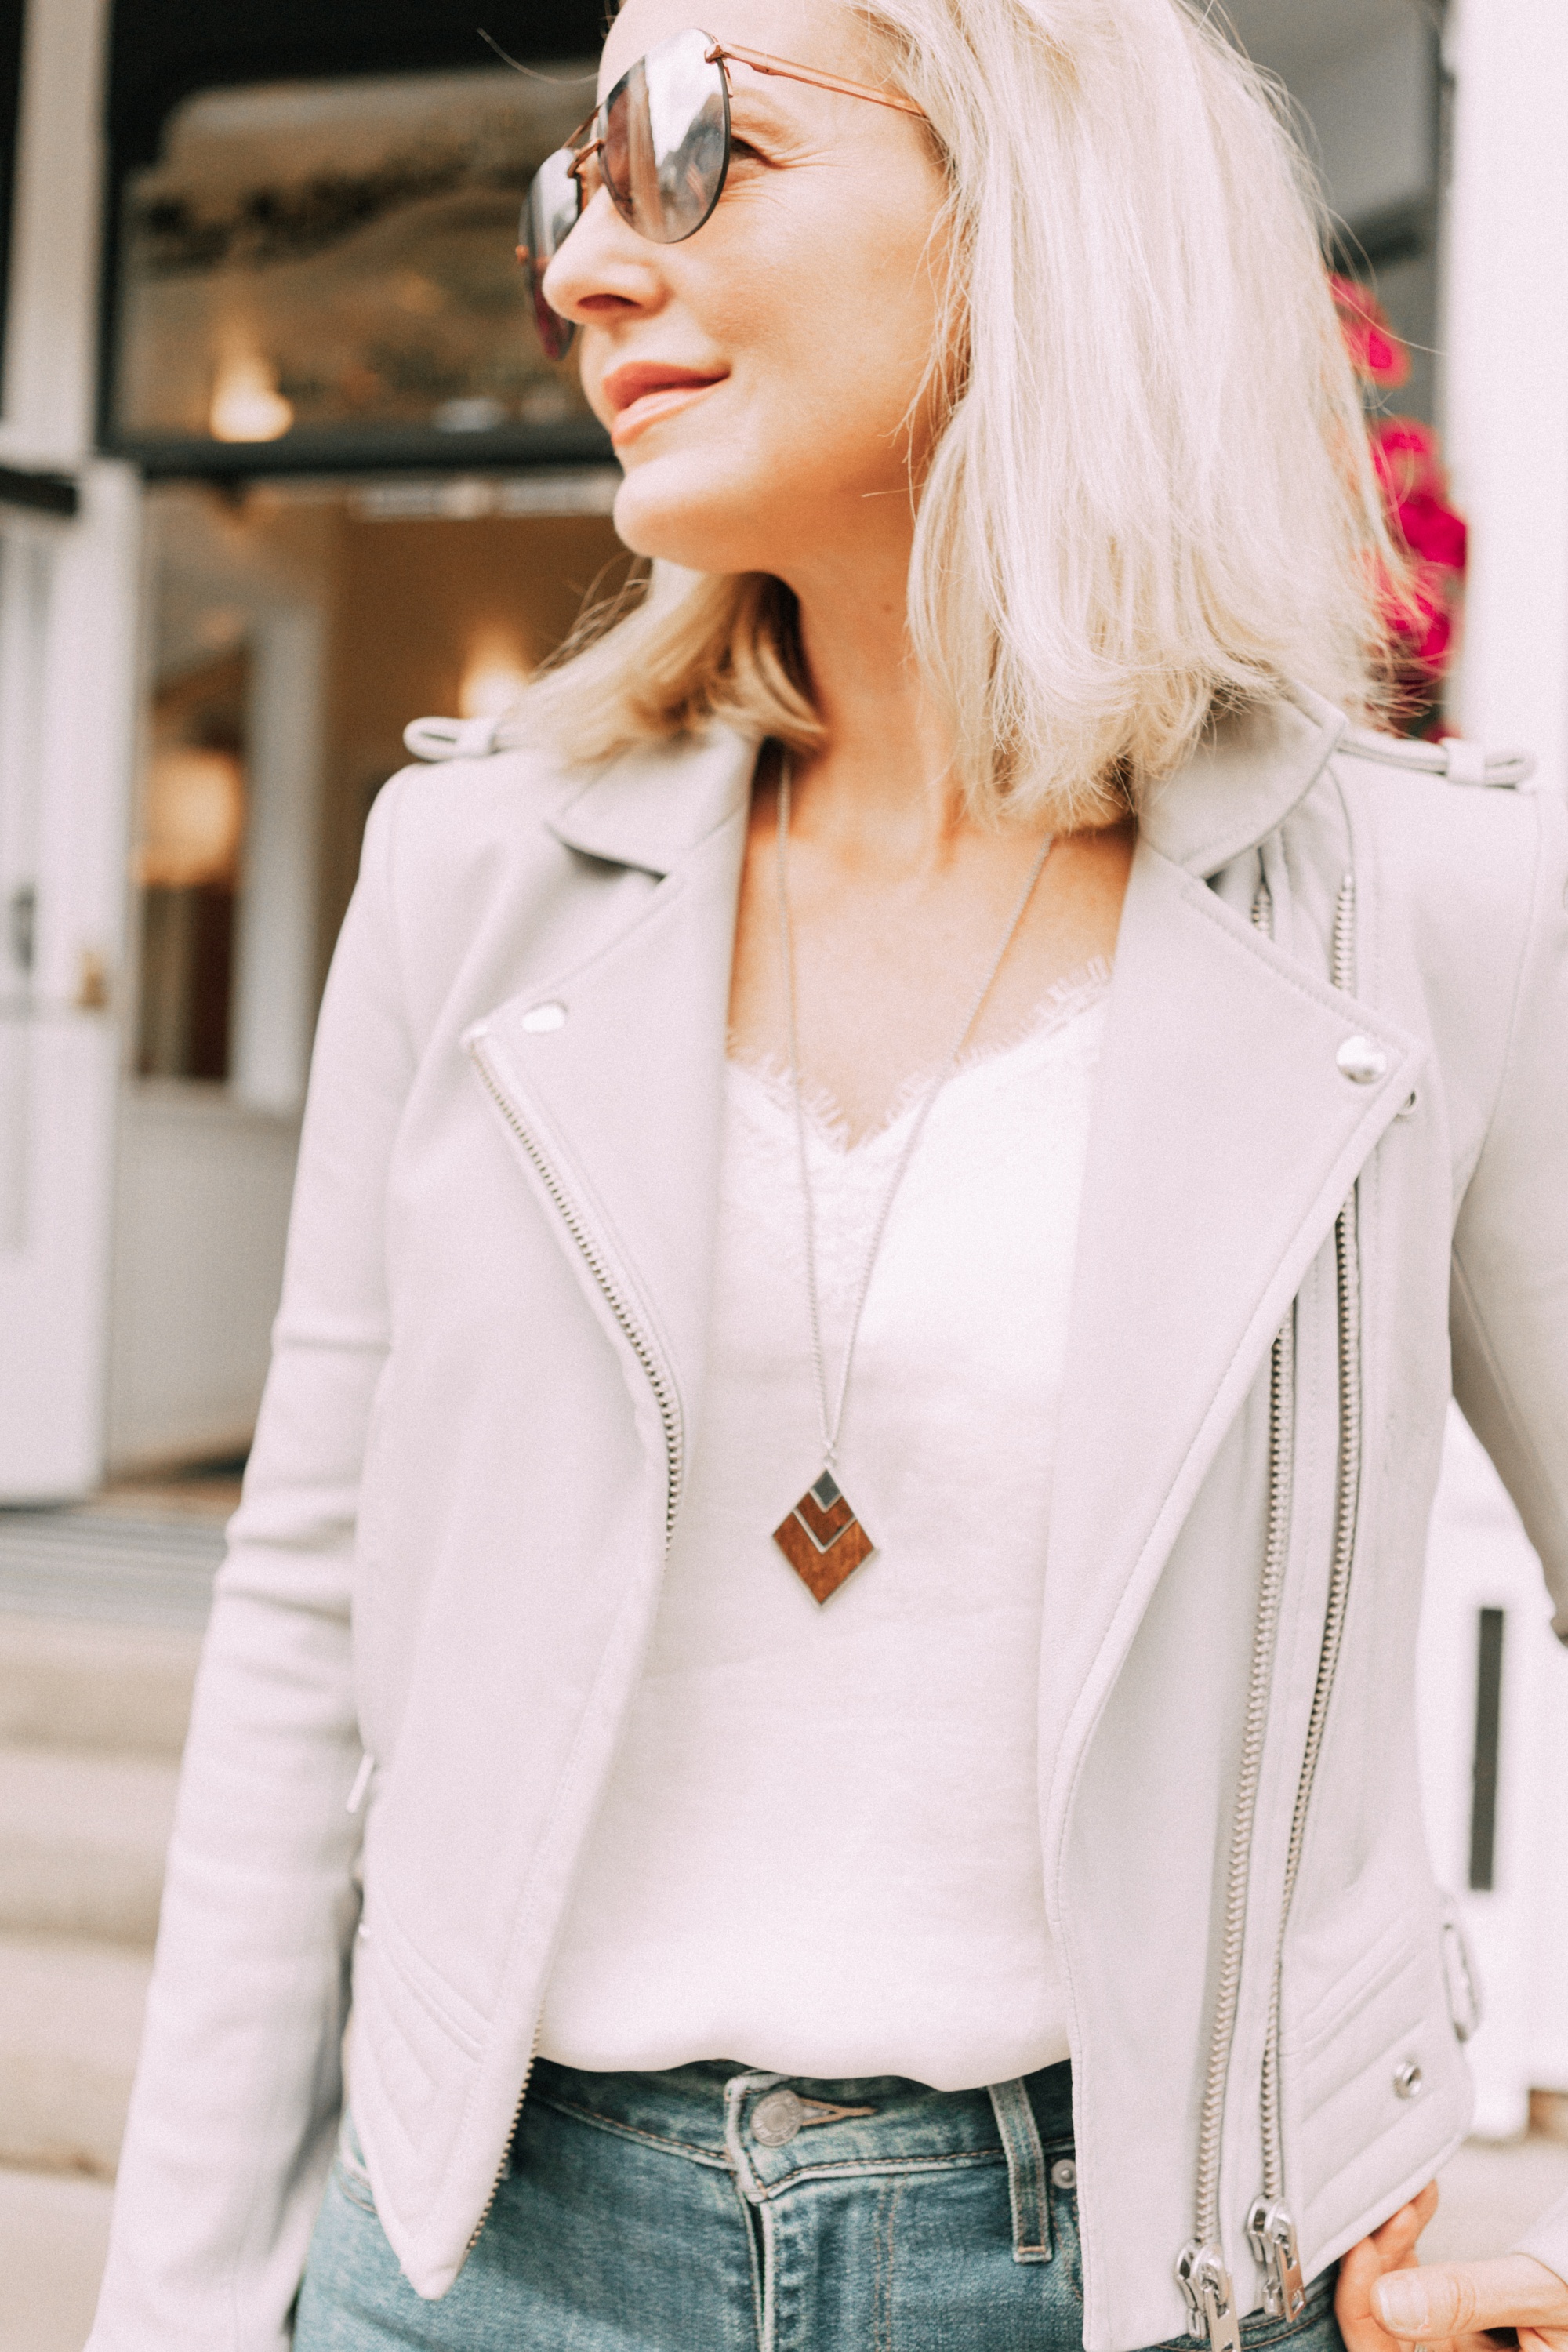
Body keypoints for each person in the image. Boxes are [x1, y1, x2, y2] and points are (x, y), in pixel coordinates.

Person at [87, 2, 1568, 2348]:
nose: (581, 265)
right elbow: (301, 1623)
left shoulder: (1427, 917)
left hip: (1149, 2276)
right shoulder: (470, 868)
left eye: (694, 147)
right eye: (570, 187)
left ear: (1036, 194)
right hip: (479, 2256)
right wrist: (172, 2315)